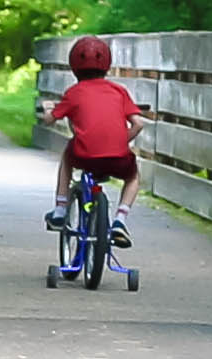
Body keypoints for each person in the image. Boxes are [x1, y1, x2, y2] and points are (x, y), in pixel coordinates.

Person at [43, 35, 140, 245]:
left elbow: (50, 120)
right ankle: (120, 220)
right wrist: (121, 140)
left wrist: (47, 109)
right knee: (132, 178)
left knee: (68, 156)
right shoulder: (119, 91)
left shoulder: (73, 93)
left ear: (74, 66)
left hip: (84, 157)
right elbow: (139, 124)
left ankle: (60, 210)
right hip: (119, 158)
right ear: (106, 64)